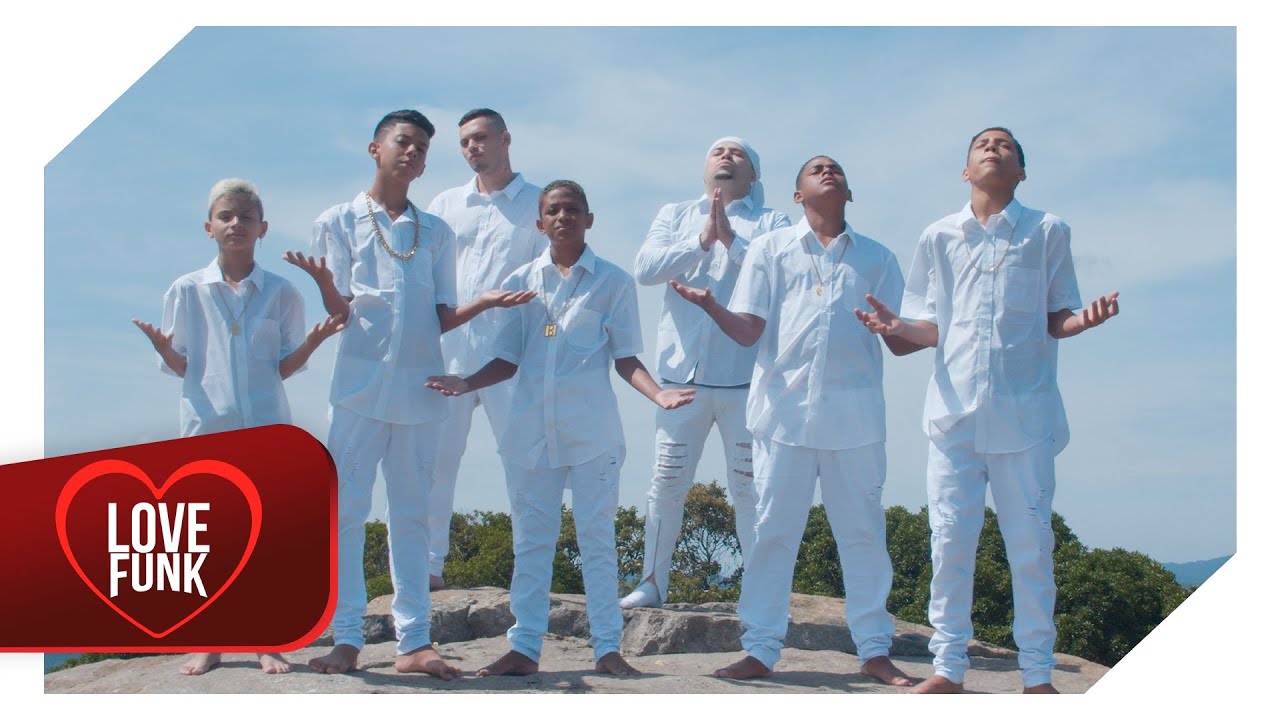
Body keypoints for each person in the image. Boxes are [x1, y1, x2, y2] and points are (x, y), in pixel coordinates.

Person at [856, 127, 1120, 694]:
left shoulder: (1048, 231)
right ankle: (948, 668)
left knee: (1031, 548)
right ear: (965, 170)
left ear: (1022, 172)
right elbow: (930, 325)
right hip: (954, 415)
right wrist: (895, 326)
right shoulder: (938, 236)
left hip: (1026, 416)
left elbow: (1057, 316)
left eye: (1006, 146)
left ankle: (1038, 676)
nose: (994, 149)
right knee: (950, 542)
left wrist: (1083, 321)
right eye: (983, 145)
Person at [284, 109, 533, 678]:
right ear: (376, 148)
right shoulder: (337, 221)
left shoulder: (436, 231)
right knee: (345, 512)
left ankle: (415, 640)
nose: (413, 153)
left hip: (420, 391)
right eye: (404, 142)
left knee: (412, 516)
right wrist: (325, 287)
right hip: (359, 390)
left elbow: (440, 317)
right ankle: (346, 637)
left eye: (422, 147)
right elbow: (342, 313)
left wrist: (484, 302)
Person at [427, 180, 694, 677]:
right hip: (529, 436)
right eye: (553, 210)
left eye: (572, 209)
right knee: (530, 543)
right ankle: (524, 648)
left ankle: (607, 647)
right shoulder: (521, 282)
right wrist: (465, 383)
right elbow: (507, 359)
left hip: (592, 435)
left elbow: (626, 358)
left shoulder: (612, 282)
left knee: (598, 542)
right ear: (540, 222)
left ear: (589, 219)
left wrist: (658, 393)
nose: (563, 217)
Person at [671, 156, 913, 686]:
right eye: (816, 169)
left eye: (837, 169)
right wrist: (711, 305)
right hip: (782, 418)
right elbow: (748, 331)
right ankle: (760, 648)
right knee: (773, 534)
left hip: (855, 422)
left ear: (850, 193)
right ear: (798, 195)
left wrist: (894, 328)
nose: (828, 172)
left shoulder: (878, 258)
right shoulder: (770, 250)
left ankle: (874, 650)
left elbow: (901, 340)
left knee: (864, 536)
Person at [133, 177, 344, 675]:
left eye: (246, 217)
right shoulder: (187, 290)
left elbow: (283, 367)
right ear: (208, 227)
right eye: (225, 216)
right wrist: (164, 349)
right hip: (206, 428)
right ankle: (209, 642)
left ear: (262, 228)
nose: (235, 224)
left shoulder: (281, 292)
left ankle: (266, 640)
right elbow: (183, 365)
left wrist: (313, 343)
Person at [621, 137, 790, 610]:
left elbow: (778, 275)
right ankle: (652, 583)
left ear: (754, 175)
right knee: (666, 481)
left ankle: (760, 595)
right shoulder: (674, 214)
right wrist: (701, 240)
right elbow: (646, 269)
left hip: (747, 380)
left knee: (750, 490)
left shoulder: (773, 223)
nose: (726, 157)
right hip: (681, 380)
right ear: (705, 167)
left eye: (738, 154)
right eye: (718, 151)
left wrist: (730, 238)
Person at [421, 108, 545, 592]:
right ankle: (427, 566)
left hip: (511, 356)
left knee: (524, 463)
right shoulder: (445, 204)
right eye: (465, 142)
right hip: (447, 350)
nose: (473, 147)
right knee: (434, 461)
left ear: (505, 139)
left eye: (480, 137)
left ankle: (529, 573)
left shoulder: (538, 203)